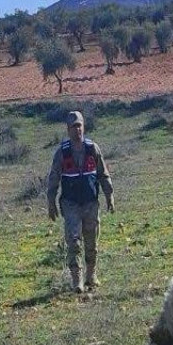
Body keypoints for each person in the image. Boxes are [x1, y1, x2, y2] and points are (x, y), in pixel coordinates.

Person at [47, 111, 114, 292]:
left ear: (84, 127)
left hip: (91, 202)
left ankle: (91, 275)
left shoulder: (93, 149)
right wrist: (51, 202)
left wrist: (109, 195)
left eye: (79, 126)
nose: (77, 130)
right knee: (74, 241)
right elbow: (53, 179)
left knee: (91, 241)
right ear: (68, 130)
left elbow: (103, 173)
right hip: (71, 204)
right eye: (73, 127)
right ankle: (77, 280)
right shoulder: (62, 152)